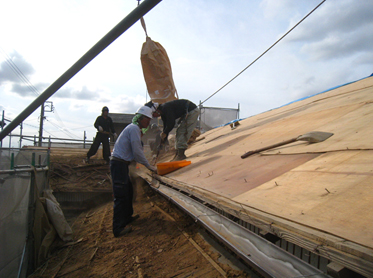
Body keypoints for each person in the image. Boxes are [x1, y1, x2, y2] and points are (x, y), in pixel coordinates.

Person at [110, 105, 157, 237]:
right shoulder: (134, 128)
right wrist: (149, 166)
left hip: (122, 164)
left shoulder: (134, 129)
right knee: (120, 196)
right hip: (118, 164)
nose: (148, 122)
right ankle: (118, 228)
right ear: (141, 119)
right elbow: (137, 152)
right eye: (147, 120)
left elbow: (136, 151)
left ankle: (127, 217)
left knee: (129, 191)